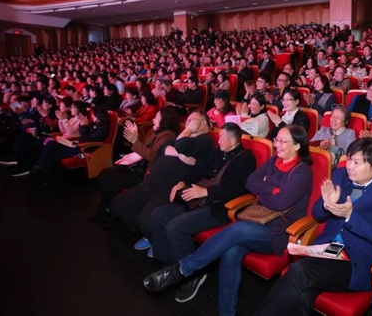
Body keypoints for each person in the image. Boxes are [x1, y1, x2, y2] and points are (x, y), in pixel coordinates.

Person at [143, 125, 314, 316]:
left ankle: (182, 269)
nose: (277, 144)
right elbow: (251, 182)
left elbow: (280, 202)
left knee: (238, 229)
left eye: (283, 141)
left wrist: (263, 192)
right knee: (230, 252)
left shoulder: (302, 172)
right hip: (257, 220)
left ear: (297, 146)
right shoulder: (274, 160)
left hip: (279, 231)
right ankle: (226, 312)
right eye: (276, 140)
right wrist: (270, 190)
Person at [255, 138, 372, 316]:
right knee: (302, 295)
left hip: (356, 261)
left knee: (299, 271)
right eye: (349, 159)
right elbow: (317, 215)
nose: (349, 166)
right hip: (326, 250)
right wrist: (327, 205)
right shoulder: (340, 175)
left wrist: (350, 216)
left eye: (357, 162)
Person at [148, 123, 256, 302]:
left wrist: (206, 192)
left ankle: (191, 274)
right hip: (197, 200)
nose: (218, 141)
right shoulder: (216, 153)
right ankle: (171, 266)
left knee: (175, 227)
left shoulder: (245, 158)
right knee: (158, 215)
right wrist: (182, 182)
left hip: (219, 207)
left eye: (222, 138)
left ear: (232, 141)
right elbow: (198, 171)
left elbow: (236, 189)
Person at [110, 110, 214, 252]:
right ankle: (150, 234)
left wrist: (186, 133)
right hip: (152, 184)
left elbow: (181, 145)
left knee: (145, 219)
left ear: (202, 123)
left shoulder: (205, 140)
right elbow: (163, 148)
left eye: (192, 121)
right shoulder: (184, 136)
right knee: (119, 204)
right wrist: (180, 155)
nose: (188, 124)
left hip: (170, 189)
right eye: (187, 121)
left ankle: (156, 238)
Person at [90, 107, 180, 223]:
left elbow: (152, 155)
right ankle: (106, 209)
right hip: (138, 165)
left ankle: (108, 211)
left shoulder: (167, 136)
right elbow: (144, 147)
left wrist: (134, 141)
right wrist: (135, 136)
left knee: (110, 178)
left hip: (146, 172)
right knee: (106, 174)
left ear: (165, 121)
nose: (153, 120)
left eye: (156, 118)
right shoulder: (156, 132)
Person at [28, 106, 111, 190]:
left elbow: (87, 139)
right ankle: (38, 169)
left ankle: (42, 178)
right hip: (78, 144)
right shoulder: (94, 124)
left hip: (84, 150)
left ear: (99, 116)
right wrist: (82, 126)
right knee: (51, 144)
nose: (92, 116)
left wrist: (84, 127)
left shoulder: (103, 128)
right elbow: (82, 136)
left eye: (93, 115)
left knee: (52, 154)